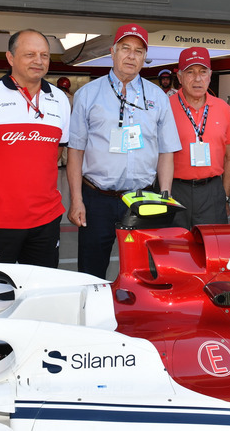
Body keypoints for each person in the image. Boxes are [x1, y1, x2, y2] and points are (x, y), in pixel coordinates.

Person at [67, 23, 181, 279]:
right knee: (91, 272)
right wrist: (76, 200)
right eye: (125, 48)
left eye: (138, 51)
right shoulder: (87, 95)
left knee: (144, 272)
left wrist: (164, 197)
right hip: (98, 198)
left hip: (142, 199)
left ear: (144, 58)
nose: (131, 56)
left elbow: (166, 152)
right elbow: (75, 151)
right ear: (113, 52)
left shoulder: (158, 97)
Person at [0, 29, 70, 268]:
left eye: (44, 55)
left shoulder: (60, 100)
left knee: (40, 295)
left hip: (45, 221)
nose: (38, 61)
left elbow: (56, 152)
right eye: (30, 54)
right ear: (10, 58)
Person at [170, 47, 230, 228]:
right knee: (175, 250)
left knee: (213, 250)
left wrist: (224, 196)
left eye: (203, 72)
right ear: (180, 77)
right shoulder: (165, 107)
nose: (197, 79)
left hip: (212, 191)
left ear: (210, 75)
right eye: (190, 72)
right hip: (175, 190)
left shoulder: (223, 108)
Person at [57, 76, 74, 167]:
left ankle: (58, 162)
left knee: (58, 143)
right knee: (66, 143)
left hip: (58, 121)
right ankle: (66, 161)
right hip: (68, 122)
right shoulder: (71, 97)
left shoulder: (55, 94)